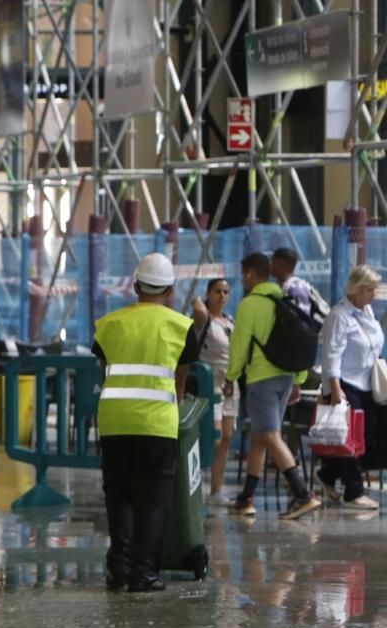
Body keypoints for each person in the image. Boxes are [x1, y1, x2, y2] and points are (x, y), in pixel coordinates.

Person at [92, 253, 197, 593]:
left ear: (135, 286)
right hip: (157, 425)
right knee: (153, 500)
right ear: (170, 290)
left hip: (114, 423)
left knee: (119, 495)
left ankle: (119, 568)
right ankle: (143, 573)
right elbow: (180, 383)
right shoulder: (182, 328)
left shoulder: (109, 325)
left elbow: (106, 370)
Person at [223, 252, 321, 519]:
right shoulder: (284, 300)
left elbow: (239, 347)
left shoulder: (249, 305)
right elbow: (298, 341)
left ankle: (302, 495)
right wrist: (299, 381)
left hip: (262, 380)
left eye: (244, 274)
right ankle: (246, 498)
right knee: (260, 437)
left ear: (250, 274)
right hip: (286, 378)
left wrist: (230, 377)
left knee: (269, 436)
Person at [316, 265, 384, 509]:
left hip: (366, 384)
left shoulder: (368, 312)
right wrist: (335, 388)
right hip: (345, 384)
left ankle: (326, 475)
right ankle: (353, 492)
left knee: (367, 435)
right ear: (355, 289)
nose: (373, 294)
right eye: (369, 289)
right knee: (351, 437)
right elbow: (331, 354)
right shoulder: (340, 315)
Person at [191, 278, 238, 502]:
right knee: (214, 437)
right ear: (208, 294)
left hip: (230, 383)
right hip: (210, 384)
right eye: (218, 291)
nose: (222, 296)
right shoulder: (204, 320)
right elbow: (198, 309)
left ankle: (216, 490)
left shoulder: (230, 322)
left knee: (227, 436)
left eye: (226, 292)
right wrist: (200, 300)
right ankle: (195, 483)